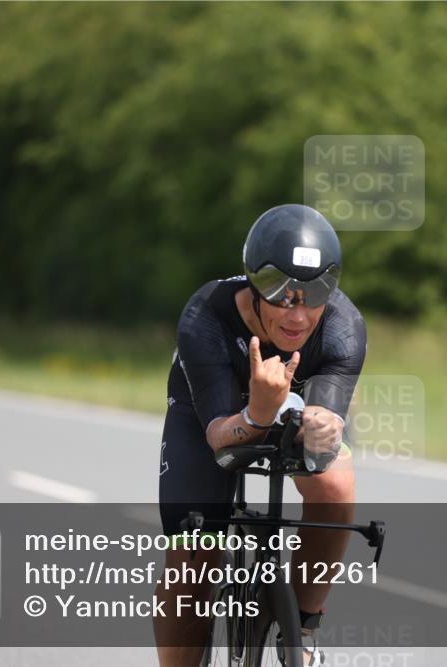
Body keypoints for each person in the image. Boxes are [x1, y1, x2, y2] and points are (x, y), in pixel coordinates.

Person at [155, 204, 366, 666]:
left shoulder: (343, 327)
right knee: (194, 552)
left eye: (315, 293)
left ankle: (304, 628)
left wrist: (323, 427)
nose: (298, 313)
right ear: (254, 283)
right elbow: (217, 437)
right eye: (281, 292)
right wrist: (255, 413)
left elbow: (327, 419)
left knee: (335, 486)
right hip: (209, 408)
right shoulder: (205, 315)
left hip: (288, 404)